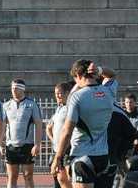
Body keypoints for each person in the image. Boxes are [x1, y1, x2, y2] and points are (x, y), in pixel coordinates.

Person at [50, 60, 114, 188]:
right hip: (103, 156)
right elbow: (112, 75)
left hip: (82, 156)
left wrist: (58, 158)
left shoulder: (77, 96)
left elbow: (67, 131)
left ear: (78, 76)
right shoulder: (109, 91)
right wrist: (100, 70)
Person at [2, 79, 42, 188]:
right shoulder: (6, 105)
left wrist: (37, 144)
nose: (14, 90)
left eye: (17, 87)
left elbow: (38, 124)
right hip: (11, 146)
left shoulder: (31, 104)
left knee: (28, 176)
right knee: (11, 176)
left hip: (27, 146)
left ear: (22, 89)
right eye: (12, 88)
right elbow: (2, 126)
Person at [48, 83, 75, 188]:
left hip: (69, 149)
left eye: (60, 93)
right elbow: (48, 128)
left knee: (69, 178)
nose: (57, 96)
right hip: (57, 149)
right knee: (60, 179)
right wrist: (54, 140)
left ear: (67, 93)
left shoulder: (70, 108)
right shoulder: (59, 108)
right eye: (56, 93)